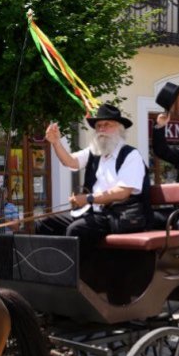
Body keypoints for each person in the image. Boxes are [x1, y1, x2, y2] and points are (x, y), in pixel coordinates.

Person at [37, 103, 150, 250]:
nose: (101, 130)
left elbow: (123, 192)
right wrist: (56, 142)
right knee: (44, 223)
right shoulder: (94, 151)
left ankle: (78, 272)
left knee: (76, 230)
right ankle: (51, 270)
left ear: (119, 128)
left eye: (106, 125)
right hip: (93, 213)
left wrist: (88, 198)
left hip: (118, 216)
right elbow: (69, 161)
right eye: (98, 126)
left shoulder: (131, 155)